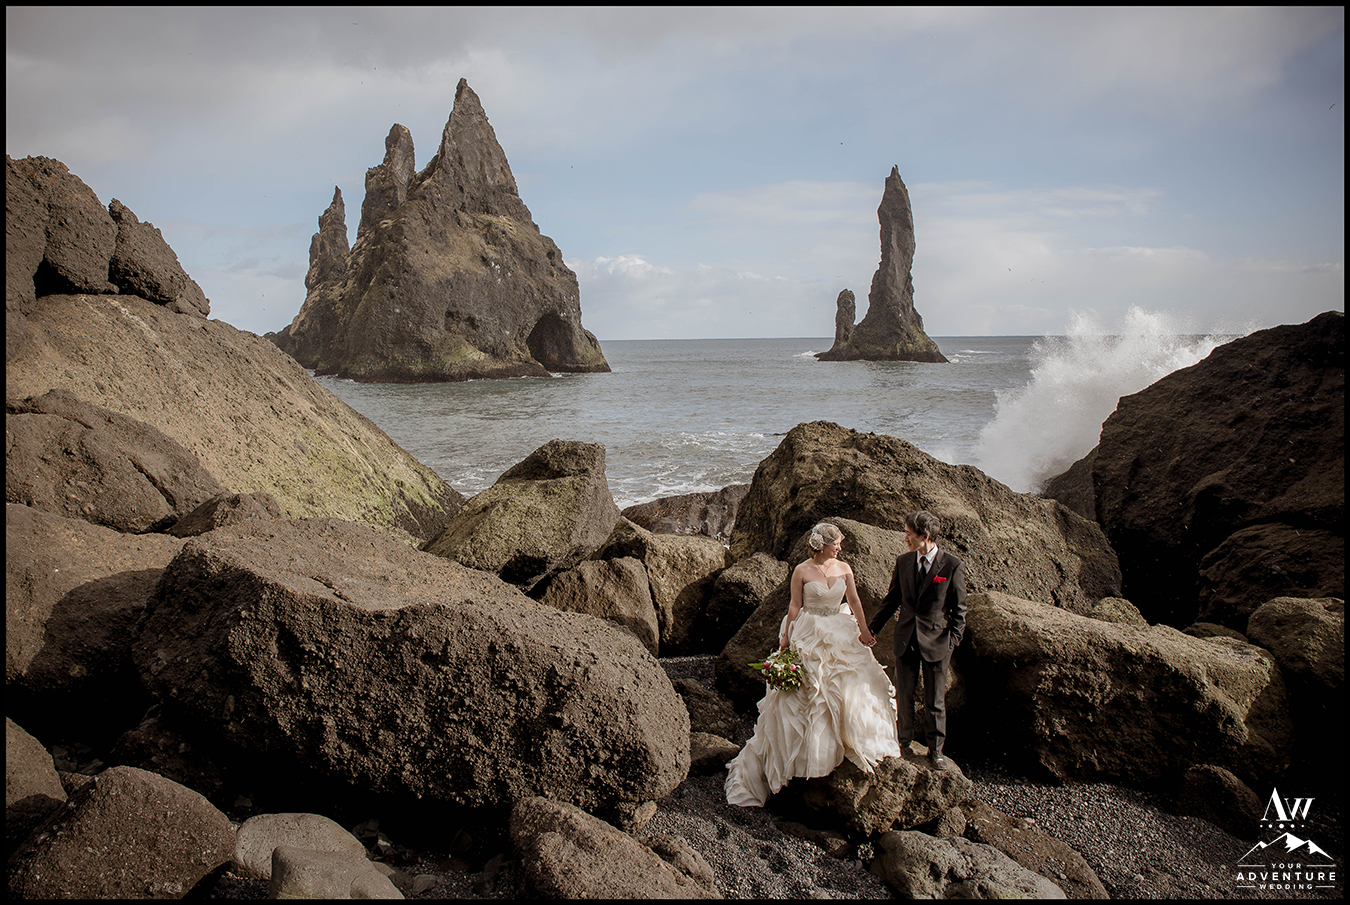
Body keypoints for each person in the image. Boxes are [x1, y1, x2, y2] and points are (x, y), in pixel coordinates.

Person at [725, 522, 902, 807]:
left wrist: (864, 630)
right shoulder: (802, 570)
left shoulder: (844, 568)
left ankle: (848, 740)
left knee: (849, 684)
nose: (840, 547)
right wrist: (786, 638)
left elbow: (854, 601)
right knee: (812, 692)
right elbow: (795, 606)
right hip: (810, 631)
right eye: (836, 543)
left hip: (840, 630)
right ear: (822, 545)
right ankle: (810, 757)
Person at [867, 510, 967, 768]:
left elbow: (959, 610)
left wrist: (952, 641)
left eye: (909, 534)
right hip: (906, 638)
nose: (905, 539)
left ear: (926, 536)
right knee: (904, 696)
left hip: (938, 642)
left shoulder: (953, 565)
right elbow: (892, 600)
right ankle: (903, 743)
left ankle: (936, 751)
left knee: (935, 700)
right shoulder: (903, 562)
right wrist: (871, 629)